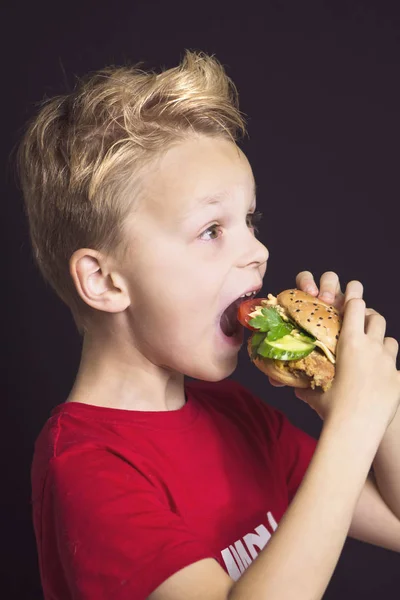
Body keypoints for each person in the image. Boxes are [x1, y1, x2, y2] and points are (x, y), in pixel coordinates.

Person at [17, 50, 400, 600]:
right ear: (104, 282)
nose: (260, 251)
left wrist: (373, 402)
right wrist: (352, 427)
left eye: (250, 220)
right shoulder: (85, 467)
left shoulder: (239, 418)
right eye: (212, 229)